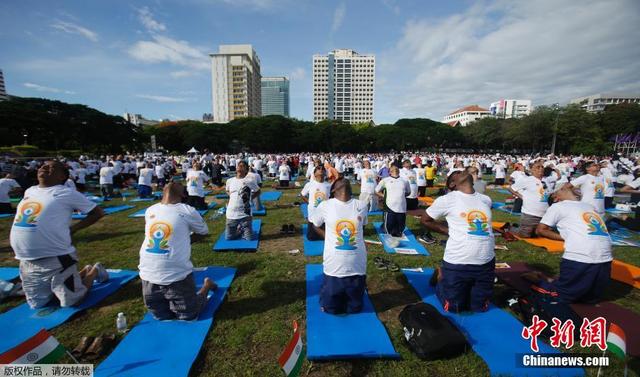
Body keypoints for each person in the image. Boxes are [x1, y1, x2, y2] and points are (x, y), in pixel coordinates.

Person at [9, 161, 108, 309]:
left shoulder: (66, 192)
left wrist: (73, 229)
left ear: (61, 176)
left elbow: (97, 212)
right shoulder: (30, 191)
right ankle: (81, 273)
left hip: (57, 257)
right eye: (43, 165)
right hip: (27, 260)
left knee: (72, 301)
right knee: (38, 304)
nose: (44, 167)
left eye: (51, 167)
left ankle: (93, 271)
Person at [138, 182, 216, 321]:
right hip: (148, 275)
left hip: (177, 276)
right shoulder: (154, 210)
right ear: (183, 194)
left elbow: (203, 232)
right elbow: (203, 232)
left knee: (188, 317)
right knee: (160, 317)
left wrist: (184, 240)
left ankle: (207, 286)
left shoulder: (183, 211)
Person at [421, 170, 495, 313]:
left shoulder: (485, 199)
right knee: (454, 307)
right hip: (457, 262)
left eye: (462, 170)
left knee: (480, 308)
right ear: (452, 184)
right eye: (456, 173)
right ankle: (440, 275)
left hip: (485, 263)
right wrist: (447, 230)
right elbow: (425, 220)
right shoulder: (447, 200)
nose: (461, 171)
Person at [528, 184, 612, 304]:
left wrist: (570, 237)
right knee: (560, 295)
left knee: (590, 298)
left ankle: (550, 280)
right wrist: (567, 237)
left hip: (604, 258)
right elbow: (540, 230)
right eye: (561, 189)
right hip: (582, 257)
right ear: (556, 198)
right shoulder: (558, 206)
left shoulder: (588, 206)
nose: (566, 186)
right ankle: (537, 281)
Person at [310, 178, 368, 314]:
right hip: (334, 264)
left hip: (357, 263)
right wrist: (328, 237)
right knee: (332, 309)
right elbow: (315, 225)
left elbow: (362, 228)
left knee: (355, 308)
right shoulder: (325, 205)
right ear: (334, 190)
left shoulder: (362, 205)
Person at [508, 161, 549, 237]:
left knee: (542, 234)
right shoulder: (528, 180)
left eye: (542, 167)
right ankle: (509, 227)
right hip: (530, 214)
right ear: (532, 170)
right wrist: (522, 197)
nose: (541, 169)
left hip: (545, 215)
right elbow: (511, 188)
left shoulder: (546, 181)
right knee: (525, 235)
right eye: (538, 167)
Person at [225, 161, 260, 240]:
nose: (240, 167)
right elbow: (227, 190)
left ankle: (242, 228)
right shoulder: (229, 181)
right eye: (238, 165)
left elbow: (258, 191)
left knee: (249, 238)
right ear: (236, 168)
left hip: (245, 214)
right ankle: (239, 230)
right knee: (229, 237)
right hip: (231, 213)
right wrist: (231, 196)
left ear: (246, 170)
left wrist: (250, 198)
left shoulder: (250, 181)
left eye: (242, 166)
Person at [376, 165, 410, 237]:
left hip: (401, 206)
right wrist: (384, 196)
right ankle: (388, 231)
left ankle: (397, 231)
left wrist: (400, 196)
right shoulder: (385, 180)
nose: (395, 170)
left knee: (400, 225)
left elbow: (408, 192)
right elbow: (376, 191)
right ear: (390, 172)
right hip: (389, 206)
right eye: (393, 169)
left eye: (396, 169)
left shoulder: (405, 181)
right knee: (389, 226)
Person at [301, 166, 331, 240]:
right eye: (318, 169)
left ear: (325, 174)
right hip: (313, 211)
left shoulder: (328, 185)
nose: (321, 170)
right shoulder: (309, 184)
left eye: (323, 169)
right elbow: (302, 194)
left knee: (325, 236)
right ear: (314, 174)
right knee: (311, 237)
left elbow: (331, 197)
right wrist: (309, 203)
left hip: (324, 212)